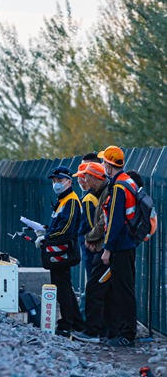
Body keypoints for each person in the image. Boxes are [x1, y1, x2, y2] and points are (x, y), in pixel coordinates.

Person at [97, 145, 139, 347]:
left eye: (104, 162)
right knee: (124, 288)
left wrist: (107, 248)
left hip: (120, 246)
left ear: (109, 165)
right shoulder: (127, 181)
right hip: (127, 244)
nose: (103, 165)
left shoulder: (119, 187)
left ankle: (127, 334)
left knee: (123, 290)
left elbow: (115, 220)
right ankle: (123, 331)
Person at [36, 165, 84, 337]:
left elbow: (67, 229)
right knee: (64, 286)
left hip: (63, 249)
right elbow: (59, 225)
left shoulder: (71, 200)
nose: (56, 183)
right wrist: (46, 230)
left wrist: (47, 237)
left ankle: (66, 324)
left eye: (60, 180)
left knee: (62, 287)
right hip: (58, 248)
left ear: (69, 181)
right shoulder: (62, 201)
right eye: (54, 181)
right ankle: (77, 322)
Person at [73, 161, 113, 344]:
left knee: (94, 288)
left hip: (99, 249)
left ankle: (93, 330)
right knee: (101, 288)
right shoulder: (100, 193)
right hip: (100, 248)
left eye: (87, 176)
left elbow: (98, 223)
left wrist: (89, 238)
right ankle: (103, 329)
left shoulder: (92, 197)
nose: (84, 179)